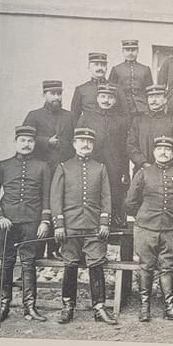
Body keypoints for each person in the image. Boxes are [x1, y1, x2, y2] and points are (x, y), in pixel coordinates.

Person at [50, 127, 117, 325]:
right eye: (81, 141)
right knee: (70, 264)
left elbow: (106, 198)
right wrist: (59, 225)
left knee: (96, 264)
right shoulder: (64, 167)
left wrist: (104, 222)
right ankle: (67, 307)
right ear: (74, 144)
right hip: (70, 227)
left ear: (93, 145)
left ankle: (99, 308)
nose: (85, 144)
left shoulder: (100, 168)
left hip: (94, 227)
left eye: (89, 142)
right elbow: (55, 199)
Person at [0, 126, 52, 324]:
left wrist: (45, 221)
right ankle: (3, 306)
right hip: (7, 224)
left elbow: (47, 197)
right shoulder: (3, 166)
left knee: (28, 264)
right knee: (7, 262)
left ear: (34, 144)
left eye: (30, 141)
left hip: (31, 223)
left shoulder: (42, 166)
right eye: (22, 140)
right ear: (15, 142)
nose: (26, 144)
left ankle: (30, 307)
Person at [125, 136, 173, 323]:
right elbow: (131, 202)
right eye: (160, 149)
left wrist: (170, 218)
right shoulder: (143, 173)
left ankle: (170, 308)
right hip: (146, 228)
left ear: (172, 154)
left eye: (167, 150)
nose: (163, 152)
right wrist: (144, 218)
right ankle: (144, 307)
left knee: (168, 267)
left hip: (170, 229)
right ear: (153, 152)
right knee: (146, 267)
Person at [22, 79, 75, 259]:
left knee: (59, 205)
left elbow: (75, 140)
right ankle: (37, 247)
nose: (56, 97)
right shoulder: (34, 115)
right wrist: (46, 141)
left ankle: (54, 248)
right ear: (44, 94)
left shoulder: (70, 116)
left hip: (62, 170)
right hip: (41, 170)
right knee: (41, 205)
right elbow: (25, 139)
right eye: (52, 94)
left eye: (59, 93)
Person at [76, 83, 130, 227]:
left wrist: (125, 172)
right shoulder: (86, 118)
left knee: (113, 192)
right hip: (91, 163)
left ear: (115, 100)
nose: (106, 100)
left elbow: (124, 150)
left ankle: (112, 221)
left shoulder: (121, 121)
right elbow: (77, 143)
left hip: (114, 165)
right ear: (97, 98)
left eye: (110, 97)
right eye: (103, 96)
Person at [126, 84, 173, 173]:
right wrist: (143, 163)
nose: (154, 100)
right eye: (151, 97)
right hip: (143, 170)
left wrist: (164, 163)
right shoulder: (138, 121)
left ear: (165, 100)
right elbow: (131, 146)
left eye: (157, 97)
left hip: (167, 170)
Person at [108, 39, 154, 116]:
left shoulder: (145, 69)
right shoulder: (116, 69)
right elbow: (111, 90)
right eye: (127, 50)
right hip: (122, 109)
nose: (130, 53)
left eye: (133, 50)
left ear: (138, 51)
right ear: (123, 51)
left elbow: (149, 90)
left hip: (142, 109)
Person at [70, 52, 109, 119]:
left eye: (103, 65)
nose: (100, 68)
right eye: (96, 65)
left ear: (106, 68)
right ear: (89, 67)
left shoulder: (116, 88)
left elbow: (123, 114)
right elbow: (74, 116)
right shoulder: (81, 90)